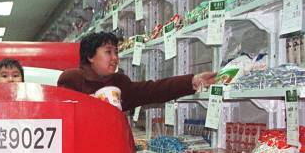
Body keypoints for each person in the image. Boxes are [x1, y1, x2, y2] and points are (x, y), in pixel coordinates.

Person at [57, 31, 217, 112]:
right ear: (90, 56)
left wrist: (192, 81)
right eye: (108, 52)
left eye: (116, 52)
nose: (115, 58)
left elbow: (153, 90)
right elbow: (65, 120)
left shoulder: (119, 83)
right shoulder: (72, 80)